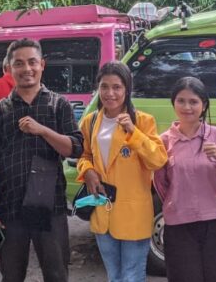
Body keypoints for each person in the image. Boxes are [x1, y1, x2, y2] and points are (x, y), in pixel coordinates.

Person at [0, 38, 84, 282]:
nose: (27, 69)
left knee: (57, 274)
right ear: (9, 69)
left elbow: (75, 148)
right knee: (11, 275)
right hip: (10, 208)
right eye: (19, 63)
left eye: (32, 62)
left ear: (42, 65)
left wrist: (43, 131)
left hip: (51, 207)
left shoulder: (58, 105)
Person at [77, 62, 167, 282]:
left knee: (132, 276)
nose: (110, 93)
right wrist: (87, 170)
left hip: (134, 213)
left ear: (127, 89)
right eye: (104, 86)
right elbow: (84, 155)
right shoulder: (90, 122)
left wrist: (133, 132)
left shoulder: (143, 121)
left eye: (117, 87)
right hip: (102, 211)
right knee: (114, 276)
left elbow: (158, 159)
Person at [154, 77, 216, 282]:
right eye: (181, 101)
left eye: (193, 101)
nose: (187, 107)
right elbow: (161, 184)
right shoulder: (163, 141)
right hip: (179, 225)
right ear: (173, 103)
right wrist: (176, 203)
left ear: (204, 105)